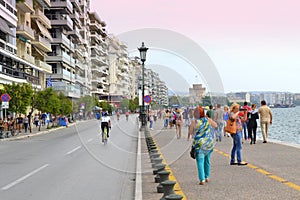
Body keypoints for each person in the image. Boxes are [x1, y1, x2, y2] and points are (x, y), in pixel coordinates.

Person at [191, 106, 217, 185]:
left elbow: (191, 132)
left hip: (199, 144)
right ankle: (207, 177)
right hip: (209, 143)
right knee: (207, 160)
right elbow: (215, 125)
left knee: (200, 161)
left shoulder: (194, 122)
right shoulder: (207, 120)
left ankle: (202, 179)